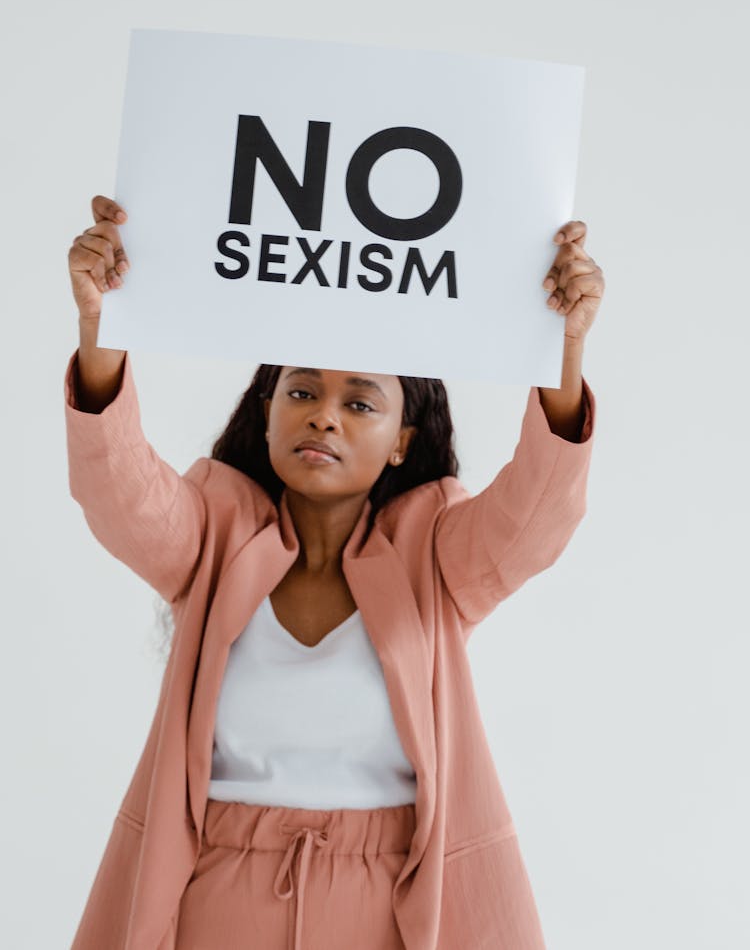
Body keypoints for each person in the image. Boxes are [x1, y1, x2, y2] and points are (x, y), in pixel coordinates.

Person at [65, 194, 604, 950]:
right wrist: (102, 327)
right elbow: (119, 493)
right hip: (216, 892)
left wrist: (561, 349)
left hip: (389, 900)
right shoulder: (213, 531)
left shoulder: (436, 552)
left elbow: (536, 516)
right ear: (268, 408)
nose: (324, 415)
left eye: (360, 402)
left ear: (399, 441)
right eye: (302, 390)